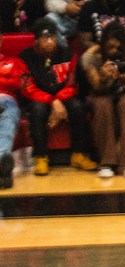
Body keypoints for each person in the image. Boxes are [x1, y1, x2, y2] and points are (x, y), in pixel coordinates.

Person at [19, 18, 96, 176]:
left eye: (52, 37)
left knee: (77, 107)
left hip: (64, 95)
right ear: (36, 40)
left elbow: (73, 84)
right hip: (39, 98)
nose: (50, 42)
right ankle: (41, 157)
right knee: (37, 110)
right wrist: (52, 101)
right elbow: (28, 88)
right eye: (44, 38)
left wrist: (58, 99)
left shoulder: (68, 53)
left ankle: (79, 154)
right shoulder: (24, 57)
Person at [80, 21, 125, 178]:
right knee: (103, 105)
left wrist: (124, 77)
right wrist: (103, 77)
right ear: (103, 44)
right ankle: (106, 162)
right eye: (110, 47)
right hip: (100, 93)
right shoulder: (91, 56)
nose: (114, 51)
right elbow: (96, 86)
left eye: (118, 48)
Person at [0, 30, 24, 188]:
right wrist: (4, 78)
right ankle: (2, 165)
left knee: (8, 118)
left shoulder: (13, 62)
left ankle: (2, 162)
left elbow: (18, 84)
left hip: (6, 101)